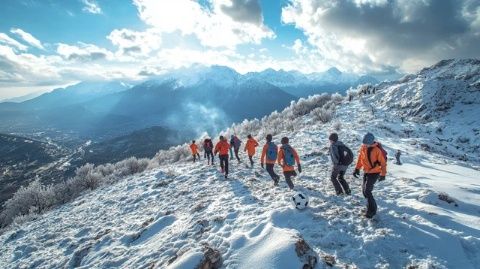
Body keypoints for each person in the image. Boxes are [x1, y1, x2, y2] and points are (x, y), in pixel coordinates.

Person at [353, 133, 387, 218]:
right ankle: (370, 207)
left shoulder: (376, 150)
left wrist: (383, 174)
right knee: (364, 192)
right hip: (367, 171)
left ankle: (372, 211)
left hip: (375, 172)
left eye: (367, 143)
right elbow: (361, 159)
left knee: (367, 191)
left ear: (371, 142)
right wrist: (357, 168)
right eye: (364, 143)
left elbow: (383, 163)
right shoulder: (363, 148)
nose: (365, 145)